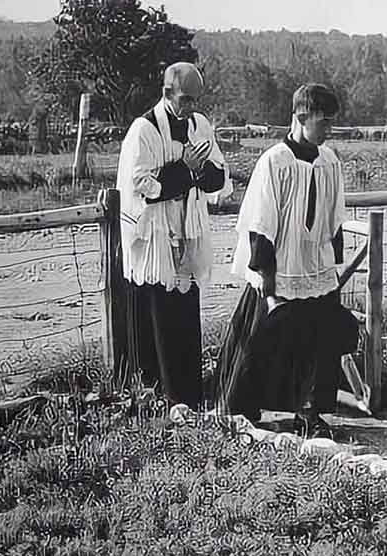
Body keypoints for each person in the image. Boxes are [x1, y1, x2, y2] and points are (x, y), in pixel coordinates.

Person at [216, 83, 358, 437]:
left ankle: (309, 412)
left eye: (331, 123)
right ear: (301, 117)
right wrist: (263, 268)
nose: (329, 129)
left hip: (315, 265)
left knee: (318, 342)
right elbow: (260, 217)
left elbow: (334, 214)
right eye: (323, 122)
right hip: (280, 265)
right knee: (260, 339)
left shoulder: (329, 161)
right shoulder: (275, 161)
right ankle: (240, 411)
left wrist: (331, 261)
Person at [116, 62, 232, 410]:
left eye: (196, 100)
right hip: (155, 238)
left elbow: (219, 177)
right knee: (157, 318)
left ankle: (189, 398)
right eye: (185, 99)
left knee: (184, 317)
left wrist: (193, 173)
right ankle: (158, 399)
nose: (191, 107)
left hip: (188, 230)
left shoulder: (199, 125)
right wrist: (187, 170)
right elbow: (144, 187)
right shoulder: (144, 130)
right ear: (167, 93)